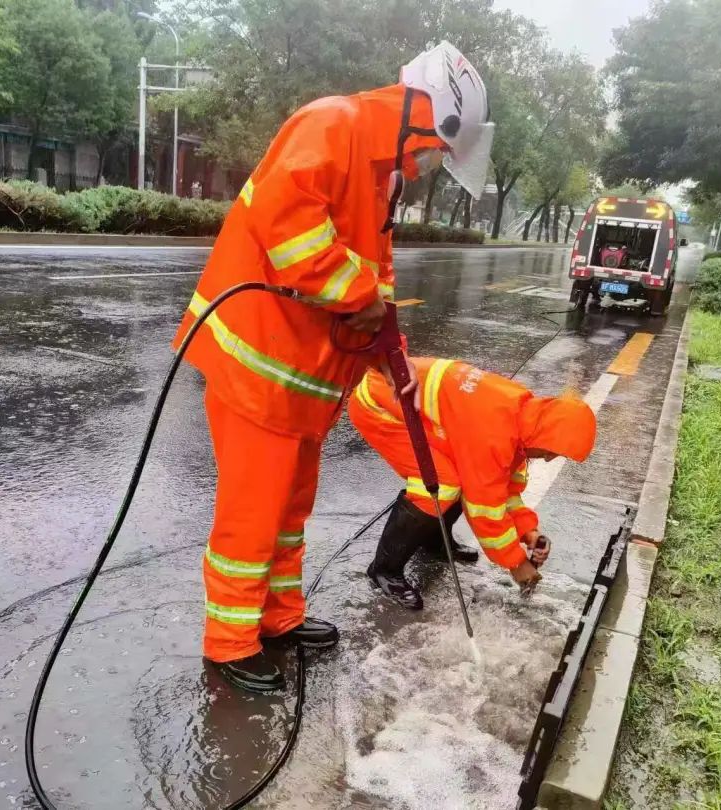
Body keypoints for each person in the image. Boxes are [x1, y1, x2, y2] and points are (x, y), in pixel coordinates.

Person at [173, 43, 494, 693]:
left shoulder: (378, 175)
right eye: (435, 148)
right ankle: (230, 643)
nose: (430, 164)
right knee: (253, 511)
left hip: (300, 387)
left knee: (289, 510)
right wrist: (360, 299)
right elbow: (287, 227)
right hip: (255, 368)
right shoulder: (332, 124)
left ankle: (279, 619)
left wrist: (386, 339)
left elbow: (374, 272)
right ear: (423, 116)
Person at [348, 357, 597, 608]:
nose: (548, 458)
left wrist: (528, 532)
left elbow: (505, 491)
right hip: (379, 405)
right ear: (546, 435)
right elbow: (484, 509)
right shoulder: (493, 436)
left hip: (402, 399)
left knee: (459, 476)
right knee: (441, 484)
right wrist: (517, 563)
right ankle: (384, 570)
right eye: (552, 451)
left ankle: (433, 542)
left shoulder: (523, 421)